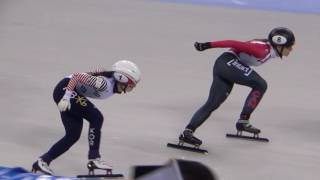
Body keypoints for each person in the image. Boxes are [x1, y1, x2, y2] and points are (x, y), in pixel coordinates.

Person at [179, 27, 295, 146]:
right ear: (279, 45)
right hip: (228, 63)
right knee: (261, 84)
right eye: (289, 46)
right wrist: (206, 45)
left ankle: (187, 133)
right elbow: (232, 43)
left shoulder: (268, 48)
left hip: (224, 65)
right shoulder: (261, 50)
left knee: (213, 103)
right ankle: (243, 121)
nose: (291, 49)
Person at [32, 60, 141, 175]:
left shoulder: (108, 82)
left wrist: (95, 73)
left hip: (68, 91)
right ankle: (94, 158)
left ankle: (43, 161)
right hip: (66, 91)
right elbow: (76, 76)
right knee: (96, 117)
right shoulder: (104, 85)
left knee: (72, 135)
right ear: (121, 78)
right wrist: (66, 97)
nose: (129, 90)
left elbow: (94, 73)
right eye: (130, 86)